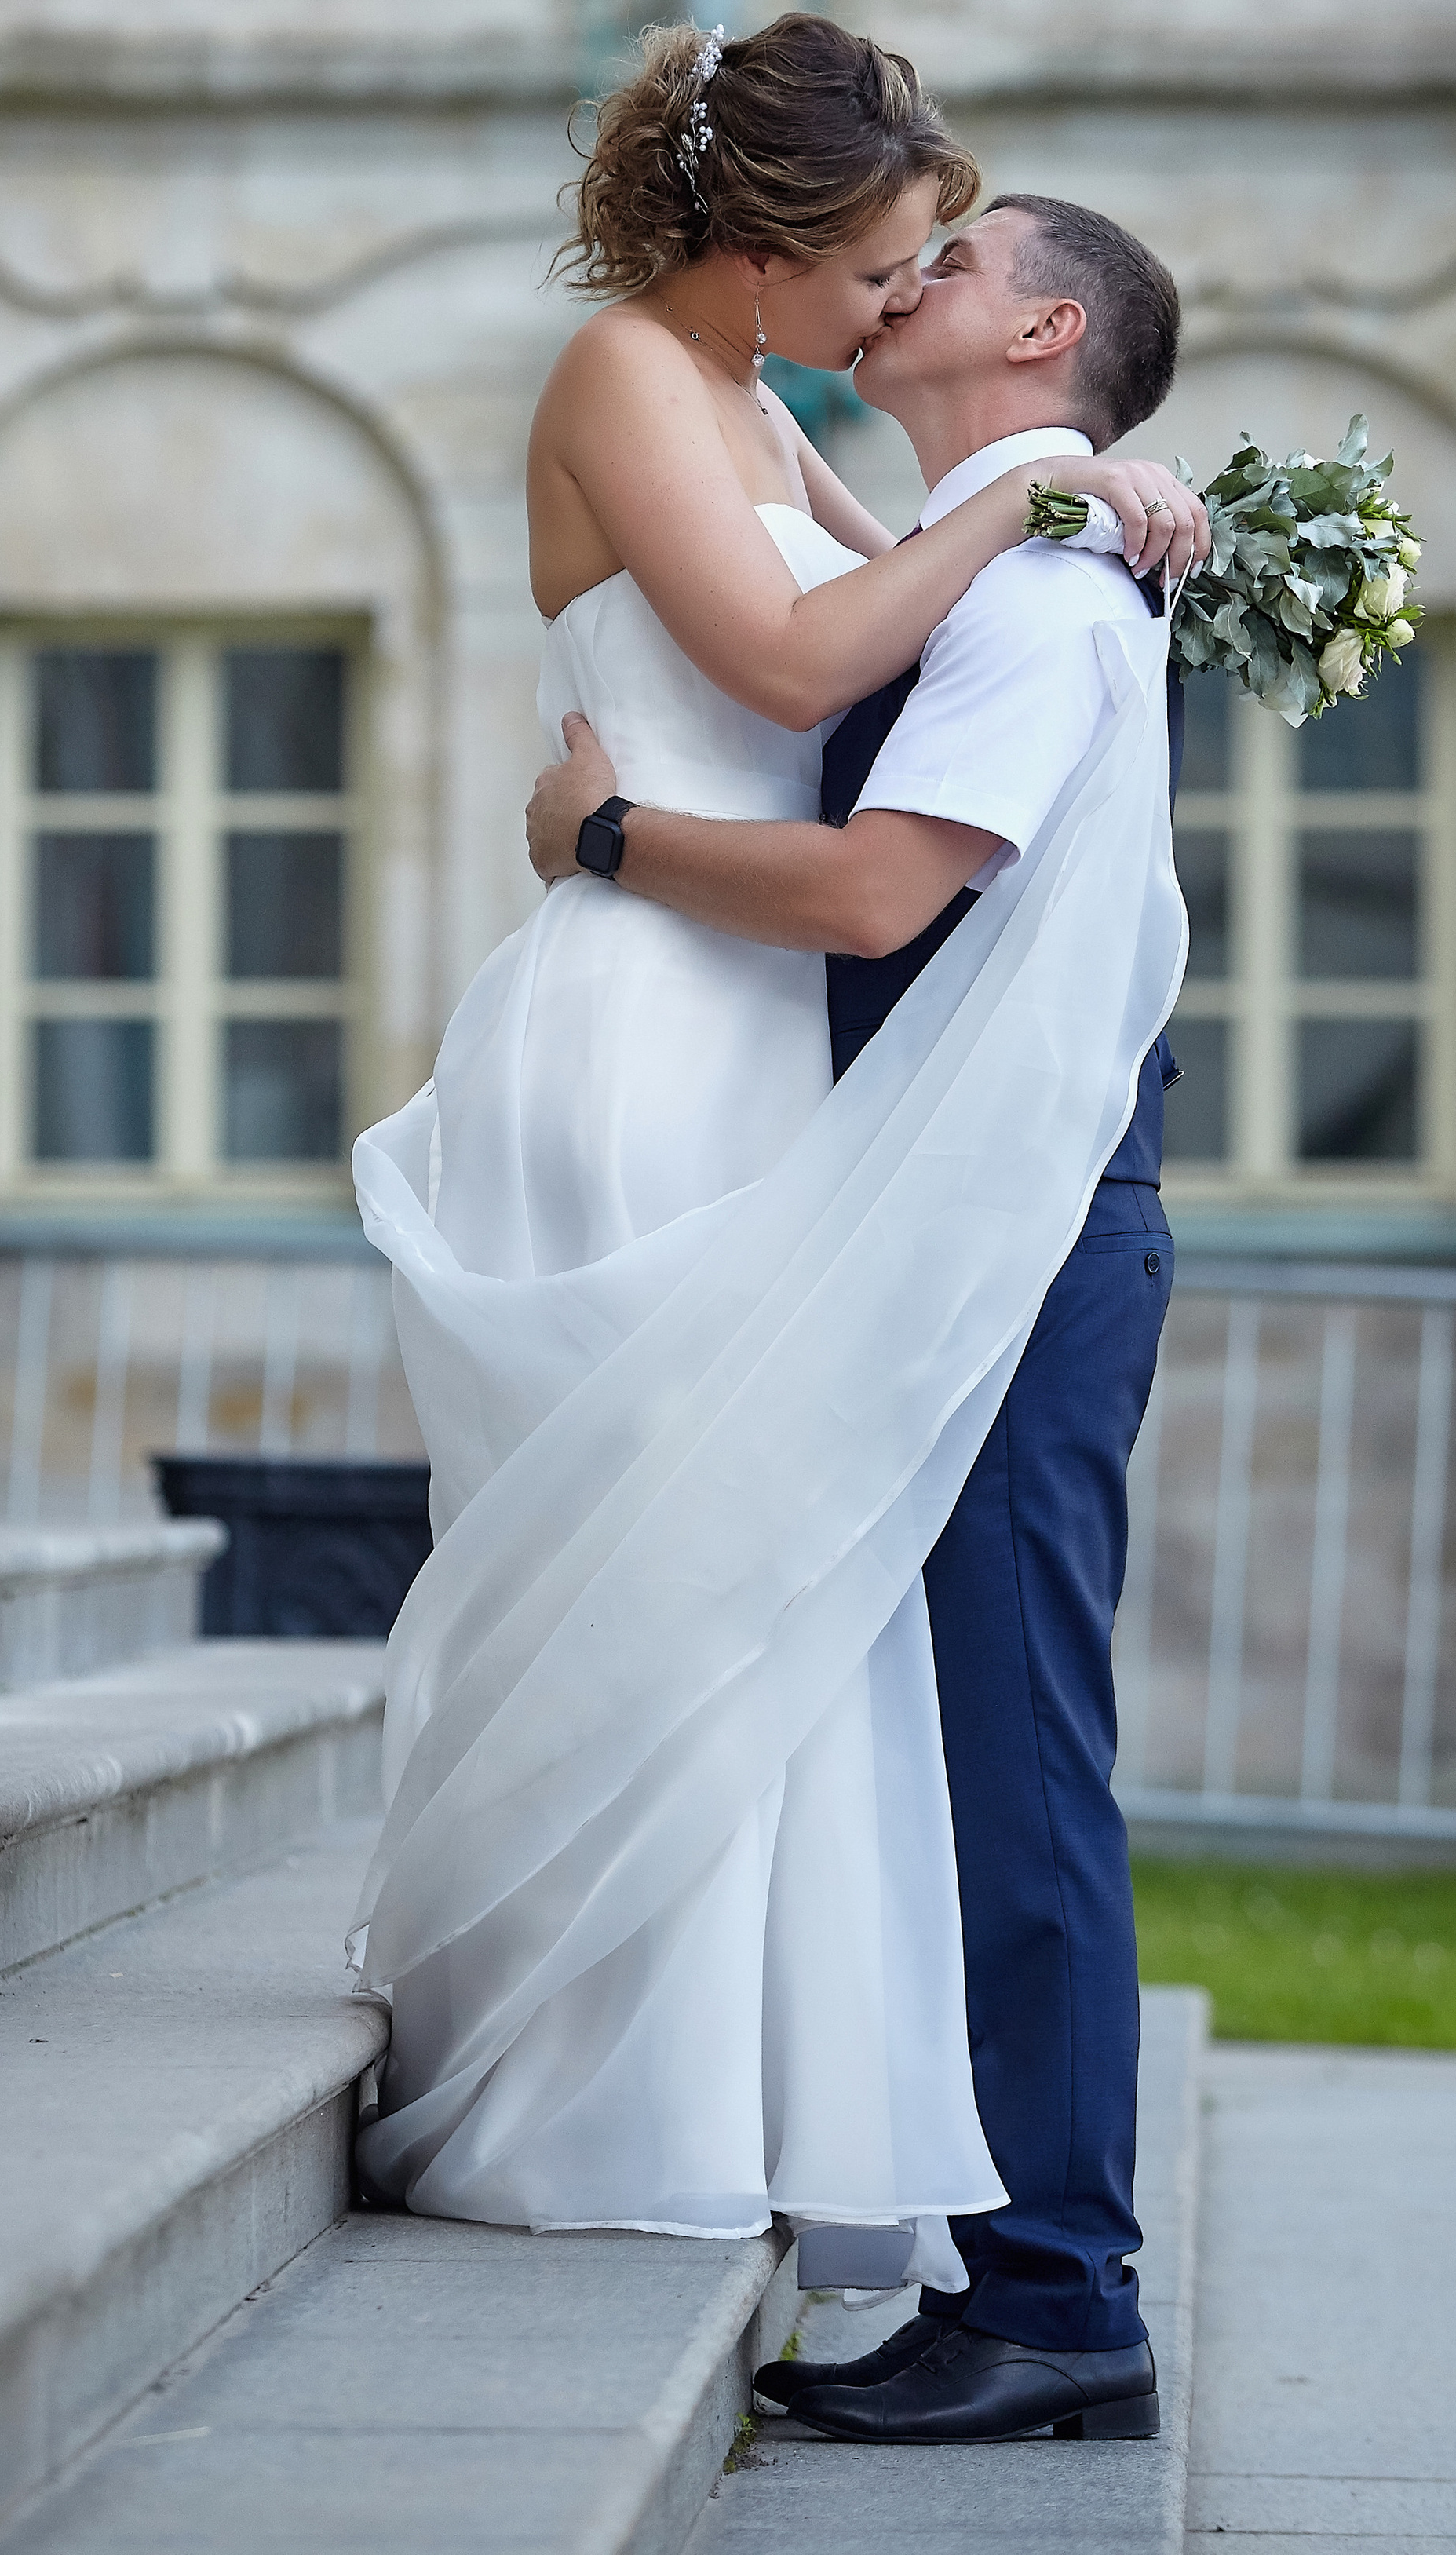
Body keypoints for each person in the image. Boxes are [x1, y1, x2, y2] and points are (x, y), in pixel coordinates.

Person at [349, 17, 1202, 2327]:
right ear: (769, 250)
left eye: (935, 268)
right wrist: (1043, 492)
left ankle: (744, 2098)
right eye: (880, 263)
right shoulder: (635, 375)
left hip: (768, 1033)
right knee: (674, 1566)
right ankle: (598, 2086)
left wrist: (1088, 490)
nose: (893, 304)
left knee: (774, 1589)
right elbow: (801, 647)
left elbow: (894, 586)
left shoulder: (751, 406)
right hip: (650, 1020)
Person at [524, 191, 1189, 2444]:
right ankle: (1000, 2253)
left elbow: (877, 886)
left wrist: (605, 843)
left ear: (1046, 327)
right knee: (946, 1735)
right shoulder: (983, 535)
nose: (906, 280)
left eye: (958, 253)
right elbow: (767, 462)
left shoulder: (1032, 605)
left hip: (1013, 1234)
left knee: (1015, 1751)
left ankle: (1064, 2297)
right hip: (949, 1213)